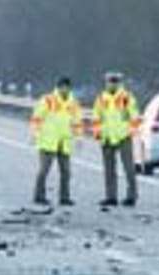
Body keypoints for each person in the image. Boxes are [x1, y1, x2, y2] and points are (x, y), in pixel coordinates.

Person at [30, 76, 83, 206]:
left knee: (66, 172)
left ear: (69, 88)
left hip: (64, 142)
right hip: (48, 141)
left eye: (66, 87)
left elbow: (77, 122)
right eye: (62, 87)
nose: (64, 89)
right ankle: (39, 196)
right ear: (58, 87)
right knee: (44, 171)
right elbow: (37, 117)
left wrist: (79, 138)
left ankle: (64, 197)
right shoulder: (48, 100)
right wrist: (35, 133)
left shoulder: (73, 103)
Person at [93, 71, 141, 207]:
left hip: (123, 137)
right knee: (109, 170)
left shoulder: (126, 98)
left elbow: (135, 117)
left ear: (119, 83)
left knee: (129, 169)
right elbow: (97, 117)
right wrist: (97, 133)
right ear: (106, 83)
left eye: (115, 82)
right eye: (110, 82)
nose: (112, 84)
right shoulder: (101, 99)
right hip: (107, 137)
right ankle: (111, 197)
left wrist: (131, 132)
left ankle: (131, 196)